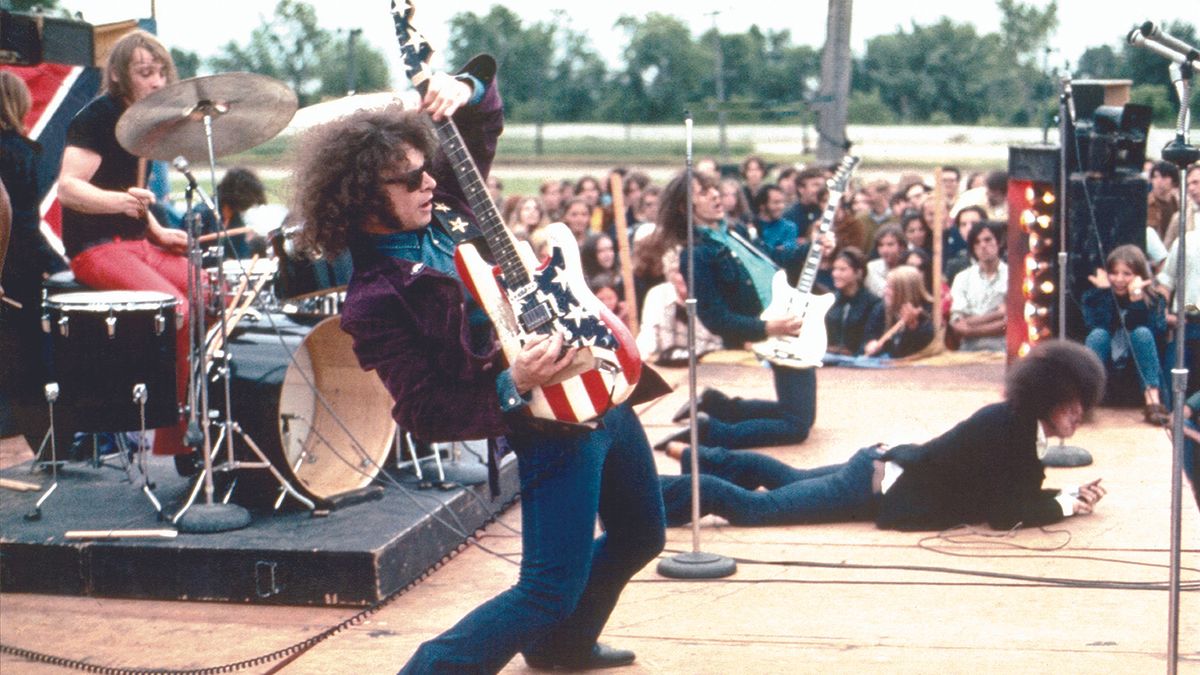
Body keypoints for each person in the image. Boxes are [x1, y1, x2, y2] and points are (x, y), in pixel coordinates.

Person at [292, 55, 665, 673]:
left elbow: (484, 112)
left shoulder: (451, 204)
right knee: (547, 589)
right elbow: (423, 411)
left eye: (423, 169)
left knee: (642, 535)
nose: (428, 182)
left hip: (604, 385)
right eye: (408, 180)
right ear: (361, 199)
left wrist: (459, 86)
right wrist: (514, 383)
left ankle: (561, 648)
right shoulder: (376, 298)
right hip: (550, 421)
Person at [658, 340, 1108, 530]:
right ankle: (650, 499)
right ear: (1047, 394)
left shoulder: (1015, 426)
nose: (1076, 416)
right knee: (757, 508)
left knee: (784, 478)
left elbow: (1014, 492)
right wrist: (1066, 505)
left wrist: (1066, 494)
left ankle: (694, 451)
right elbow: (1005, 511)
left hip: (875, 469)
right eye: (1070, 405)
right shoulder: (1009, 430)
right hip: (872, 484)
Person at [54, 30, 192, 458]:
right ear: (118, 75)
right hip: (95, 247)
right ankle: (165, 430)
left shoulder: (143, 122)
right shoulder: (96, 118)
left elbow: (132, 193)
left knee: (211, 293)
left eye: (161, 73)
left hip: (135, 243)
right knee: (176, 308)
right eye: (144, 73)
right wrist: (122, 204)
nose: (156, 82)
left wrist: (156, 230)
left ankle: (183, 430)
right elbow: (68, 188)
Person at [662, 170, 816, 448]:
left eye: (713, 188)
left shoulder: (737, 232)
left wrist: (813, 249)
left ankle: (717, 405)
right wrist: (767, 328)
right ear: (686, 207)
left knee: (799, 417)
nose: (714, 194)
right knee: (796, 426)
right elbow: (714, 317)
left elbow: (774, 258)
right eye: (703, 191)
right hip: (772, 330)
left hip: (784, 325)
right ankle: (711, 433)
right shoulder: (696, 255)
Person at [1, 72, 71, 443]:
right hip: (15, 270)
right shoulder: (21, 153)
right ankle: (48, 446)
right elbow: (24, 224)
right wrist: (58, 268)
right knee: (26, 361)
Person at [1082, 244, 1169, 425]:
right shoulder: (1094, 297)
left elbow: (1156, 336)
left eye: (1127, 274)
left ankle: (1153, 404)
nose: (1119, 279)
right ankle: (1082, 400)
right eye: (1114, 273)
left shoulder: (1154, 300)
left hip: (1137, 380)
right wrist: (1106, 294)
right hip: (1107, 379)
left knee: (1142, 333)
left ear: (1139, 275)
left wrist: (1136, 299)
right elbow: (1099, 325)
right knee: (1098, 335)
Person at [636, 248, 722, 366]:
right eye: (678, 272)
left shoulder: (711, 295)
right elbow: (648, 335)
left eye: (689, 272)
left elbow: (717, 343)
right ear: (669, 274)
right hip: (668, 366)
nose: (684, 277)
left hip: (707, 366)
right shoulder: (657, 294)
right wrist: (638, 357)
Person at [948, 221, 1007, 352]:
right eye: (977, 242)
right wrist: (997, 314)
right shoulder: (962, 278)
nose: (983, 246)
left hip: (1003, 350)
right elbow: (957, 324)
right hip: (968, 351)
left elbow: (1009, 324)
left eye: (987, 240)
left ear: (999, 242)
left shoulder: (1012, 276)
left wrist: (970, 327)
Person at [864, 265, 934, 358]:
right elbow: (869, 336)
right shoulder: (881, 308)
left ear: (905, 291)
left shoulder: (928, 313)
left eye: (890, 288)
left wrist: (912, 328)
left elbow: (912, 353)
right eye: (886, 287)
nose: (885, 292)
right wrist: (870, 344)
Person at [824, 247, 880, 356]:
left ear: (858, 272)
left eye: (842, 269)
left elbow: (870, 338)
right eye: (835, 269)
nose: (835, 274)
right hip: (828, 357)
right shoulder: (829, 300)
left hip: (857, 360)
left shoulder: (873, 303)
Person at [864, 224, 906, 296]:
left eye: (890, 244)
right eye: (881, 245)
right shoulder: (871, 268)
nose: (884, 250)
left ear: (902, 247)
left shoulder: (910, 268)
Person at [1147, 161, 1180, 240]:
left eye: (1164, 177)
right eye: (1155, 177)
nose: (1159, 181)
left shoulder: (1177, 201)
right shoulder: (1148, 203)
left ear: (1173, 180)